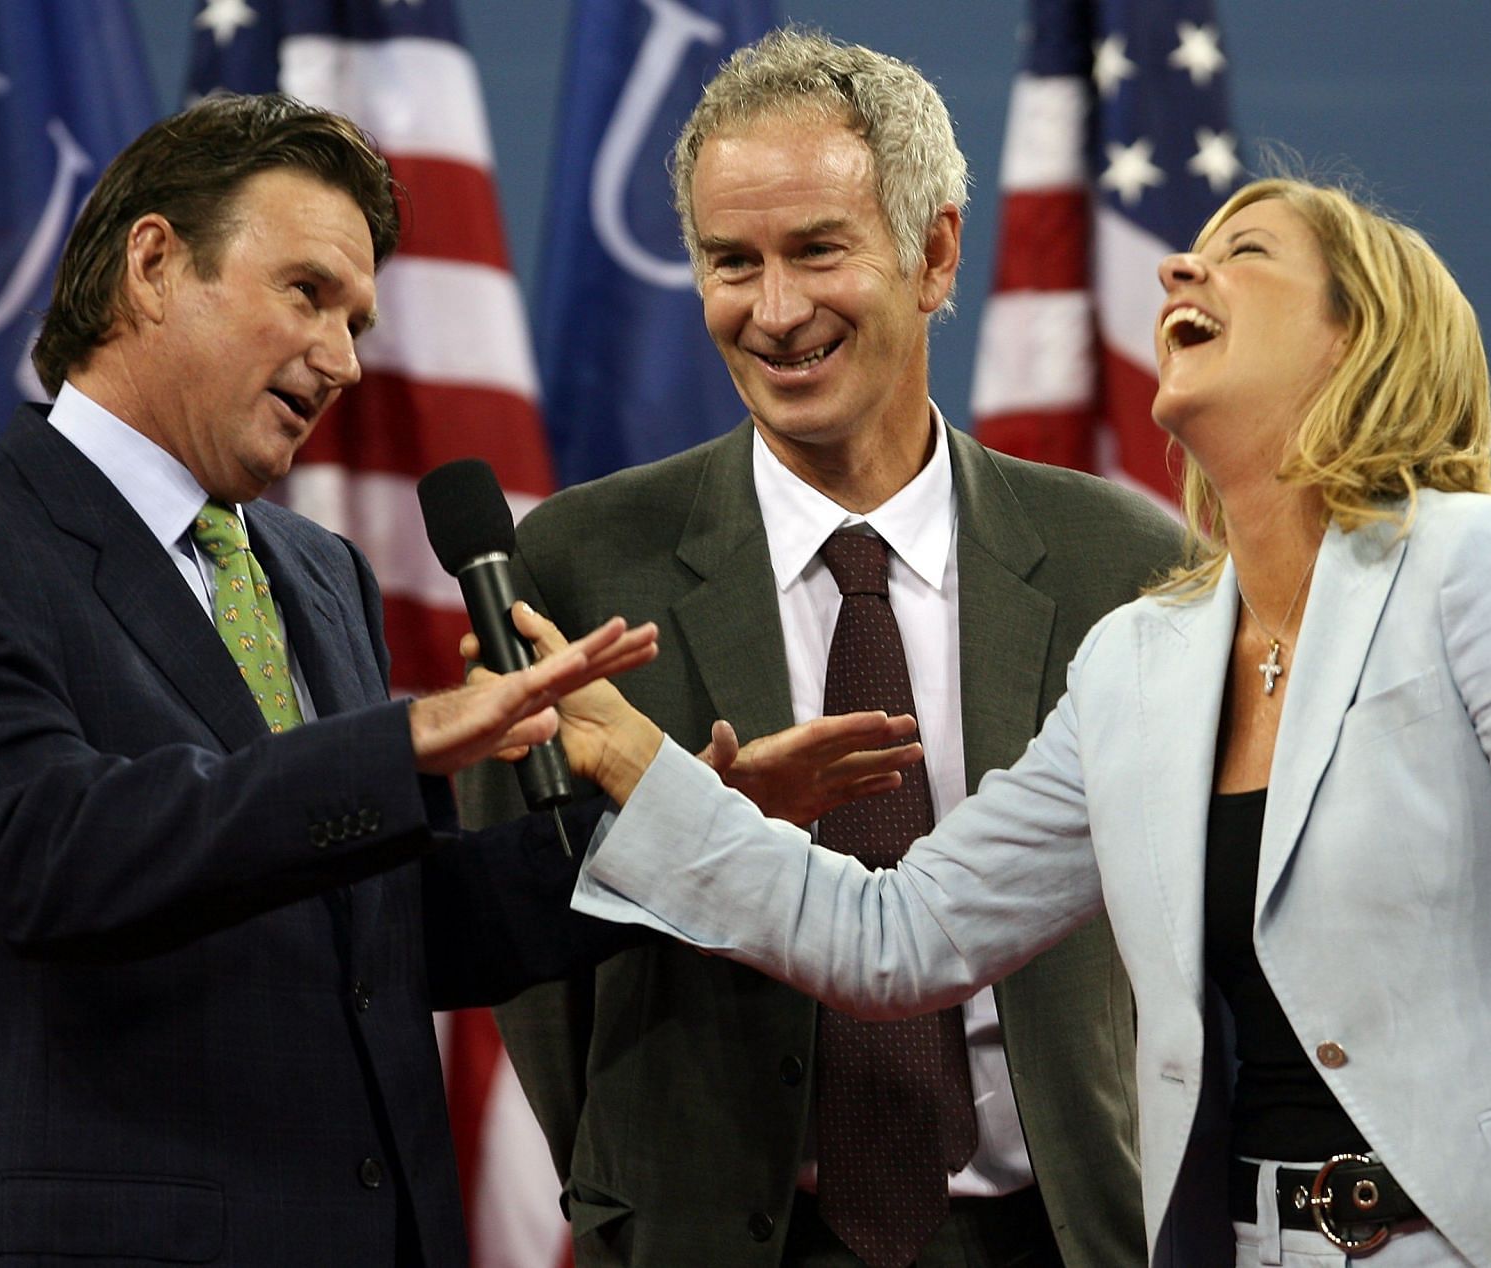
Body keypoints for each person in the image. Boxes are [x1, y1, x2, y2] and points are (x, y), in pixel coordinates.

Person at [554, 177, 1491, 1266]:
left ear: (1356, 336)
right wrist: (641, 766)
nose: (1176, 274)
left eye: (1242, 254)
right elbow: (895, 932)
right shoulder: (1138, 659)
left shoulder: (1475, 560)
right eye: (1186, 255)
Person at [0, 93, 670, 1268]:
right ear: (153, 264)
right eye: (308, 293)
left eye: (358, 319)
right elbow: (52, 856)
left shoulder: (317, 571)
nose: (343, 359)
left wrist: (681, 831)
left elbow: (391, 929)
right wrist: (400, 743)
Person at [458, 28, 1176, 1268]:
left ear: (935, 251)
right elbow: (524, 946)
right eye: (731, 261)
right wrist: (635, 1197)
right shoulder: (580, 564)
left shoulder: (1121, 560)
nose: (775, 311)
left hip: (1050, 1233)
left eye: (817, 251)